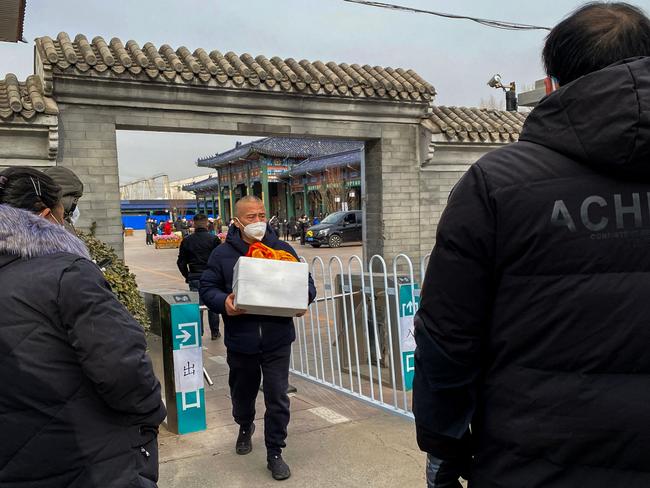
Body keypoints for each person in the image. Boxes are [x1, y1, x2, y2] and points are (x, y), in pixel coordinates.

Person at [412, 3, 650, 487]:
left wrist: (444, 444)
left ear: (555, 80)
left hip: (534, 457)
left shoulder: (495, 184)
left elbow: (448, 338)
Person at [0, 167, 165, 488]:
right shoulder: (69, 272)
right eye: (66, 211)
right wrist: (149, 415)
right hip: (87, 457)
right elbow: (122, 367)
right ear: (48, 216)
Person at [200, 196, 316, 481]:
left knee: (277, 396)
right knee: (243, 391)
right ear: (237, 221)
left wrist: (303, 299)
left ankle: (275, 451)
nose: (258, 221)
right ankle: (244, 424)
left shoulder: (282, 249)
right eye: (251, 216)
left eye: (262, 215)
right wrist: (223, 302)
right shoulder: (223, 254)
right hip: (242, 340)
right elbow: (207, 287)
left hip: (277, 340)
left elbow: (307, 284)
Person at [177, 213, 221, 340]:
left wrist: (188, 275)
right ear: (207, 223)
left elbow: (181, 262)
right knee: (213, 306)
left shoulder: (187, 241)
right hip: (211, 278)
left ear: (193, 224)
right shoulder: (214, 240)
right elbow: (219, 260)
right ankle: (215, 332)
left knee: (197, 307)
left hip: (195, 276)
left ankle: (199, 332)